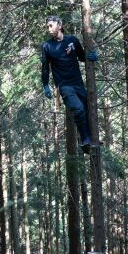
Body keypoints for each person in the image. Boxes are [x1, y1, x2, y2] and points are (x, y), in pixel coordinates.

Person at [41, 15, 98, 153]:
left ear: (59, 25)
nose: (48, 29)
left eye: (51, 25)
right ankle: (85, 140)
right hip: (64, 86)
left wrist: (92, 57)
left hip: (78, 83)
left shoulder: (72, 40)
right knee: (78, 109)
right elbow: (44, 67)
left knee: (87, 110)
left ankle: (89, 141)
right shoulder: (47, 46)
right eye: (47, 26)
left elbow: (81, 56)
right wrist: (45, 85)